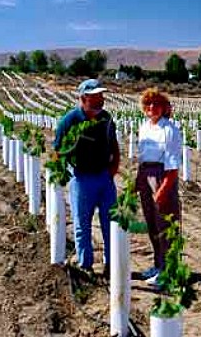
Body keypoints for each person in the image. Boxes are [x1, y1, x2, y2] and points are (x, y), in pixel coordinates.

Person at [53, 79, 120, 276]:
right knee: (82, 224)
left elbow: (114, 145)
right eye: (96, 96)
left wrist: (113, 169)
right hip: (81, 179)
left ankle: (112, 265)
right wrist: (61, 172)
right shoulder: (70, 120)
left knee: (111, 223)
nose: (101, 100)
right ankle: (86, 265)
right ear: (84, 98)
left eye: (101, 96)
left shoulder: (106, 118)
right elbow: (58, 150)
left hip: (104, 178)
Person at [136, 87, 181, 286]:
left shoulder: (169, 130)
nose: (152, 107)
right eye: (148, 104)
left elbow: (172, 167)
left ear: (164, 108)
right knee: (152, 223)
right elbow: (142, 158)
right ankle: (158, 264)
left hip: (163, 176)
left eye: (156, 104)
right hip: (146, 174)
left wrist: (162, 190)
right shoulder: (144, 127)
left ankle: (169, 270)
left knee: (166, 224)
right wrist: (138, 183)